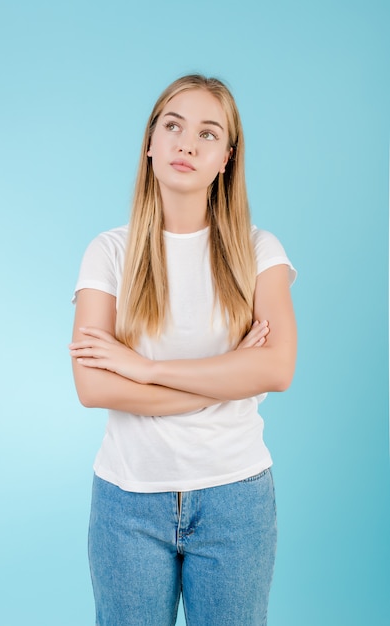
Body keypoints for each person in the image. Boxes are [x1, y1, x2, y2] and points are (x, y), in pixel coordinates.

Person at [69, 74, 297, 626]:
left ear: (226, 159)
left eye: (207, 133)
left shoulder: (259, 251)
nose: (186, 144)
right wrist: (223, 380)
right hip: (128, 502)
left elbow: (276, 368)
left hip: (234, 500)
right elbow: (94, 386)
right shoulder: (109, 252)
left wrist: (145, 370)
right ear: (150, 142)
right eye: (172, 126)